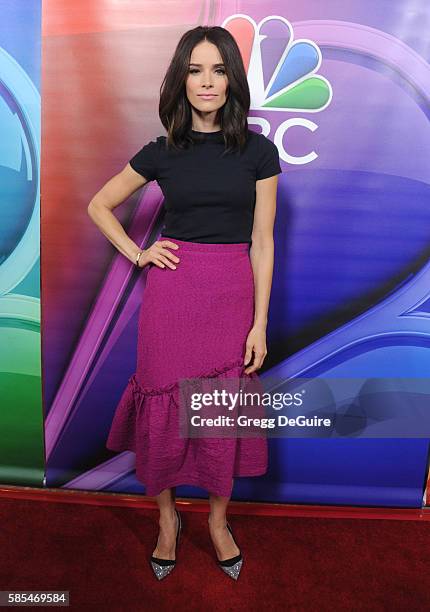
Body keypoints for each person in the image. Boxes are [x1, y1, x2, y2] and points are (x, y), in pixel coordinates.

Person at [87, 25, 281, 581]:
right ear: (181, 79)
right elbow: (100, 204)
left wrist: (259, 322)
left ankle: (219, 522)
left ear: (232, 80)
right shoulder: (162, 150)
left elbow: (263, 242)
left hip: (232, 294)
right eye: (196, 70)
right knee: (165, 412)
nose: (207, 82)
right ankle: (167, 519)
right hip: (173, 298)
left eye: (218, 70)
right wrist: (139, 253)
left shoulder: (258, 151)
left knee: (220, 412)